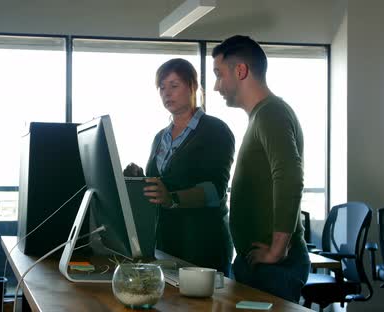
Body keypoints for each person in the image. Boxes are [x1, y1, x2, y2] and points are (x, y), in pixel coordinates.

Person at [212, 35, 310, 302]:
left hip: (273, 267)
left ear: (240, 70)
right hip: (256, 263)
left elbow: (289, 175)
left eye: (219, 75)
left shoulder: (271, 113)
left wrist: (277, 250)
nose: (216, 86)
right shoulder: (261, 116)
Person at [125, 58, 235, 276]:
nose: (167, 93)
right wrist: (140, 179)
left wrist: (172, 198)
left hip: (202, 246)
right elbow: (164, 184)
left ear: (192, 87)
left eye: (174, 86)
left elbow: (215, 190)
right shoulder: (160, 137)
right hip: (167, 245)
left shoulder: (215, 130)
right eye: (162, 88)